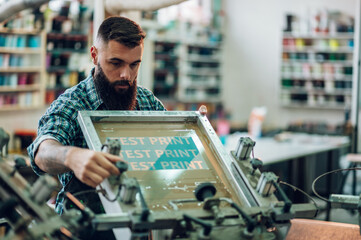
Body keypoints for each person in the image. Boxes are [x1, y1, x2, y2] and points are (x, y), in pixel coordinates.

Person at [27, 16, 166, 221]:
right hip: (83, 225)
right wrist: (71, 157)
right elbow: (42, 151)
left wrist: (193, 131)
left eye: (134, 65)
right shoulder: (72, 103)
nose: (126, 75)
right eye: (116, 63)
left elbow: (171, 146)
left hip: (138, 217)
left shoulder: (147, 101)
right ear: (94, 55)